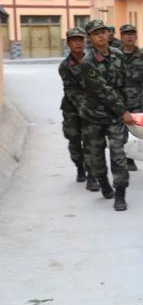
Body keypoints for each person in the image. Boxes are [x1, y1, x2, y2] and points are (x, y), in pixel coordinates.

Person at [79, 19, 132, 211]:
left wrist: (129, 108)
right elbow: (103, 90)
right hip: (94, 116)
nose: (101, 35)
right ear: (89, 38)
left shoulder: (118, 55)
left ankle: (120, 194)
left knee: (118, 154)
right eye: (96, 33)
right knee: (96, 157)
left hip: (115, 117)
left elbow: (124, 84)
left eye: (103, 31)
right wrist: (123, 110)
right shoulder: (87, 62)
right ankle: (103, 183)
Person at [58, 27, 98, 191]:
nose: (78, 43)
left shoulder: (93, 60)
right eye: (74, 40)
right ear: (68, 43)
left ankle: (92, 176)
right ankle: (79, 166)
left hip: (91, 109)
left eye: (80, 40)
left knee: (90, 142)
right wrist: (83, 105)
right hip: (72, 109)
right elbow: (70, 90)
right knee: (74, 140)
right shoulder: (65, 66)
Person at [119, 24, 143, 172]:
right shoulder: (115, 56)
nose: (129, 36)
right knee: (119, 132)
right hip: (119, 100)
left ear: (135, 36)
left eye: (131, 33)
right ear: (121, 37)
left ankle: (130, 159)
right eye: (126, 34)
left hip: (137, 99)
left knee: (134, 132)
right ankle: (122, 159)